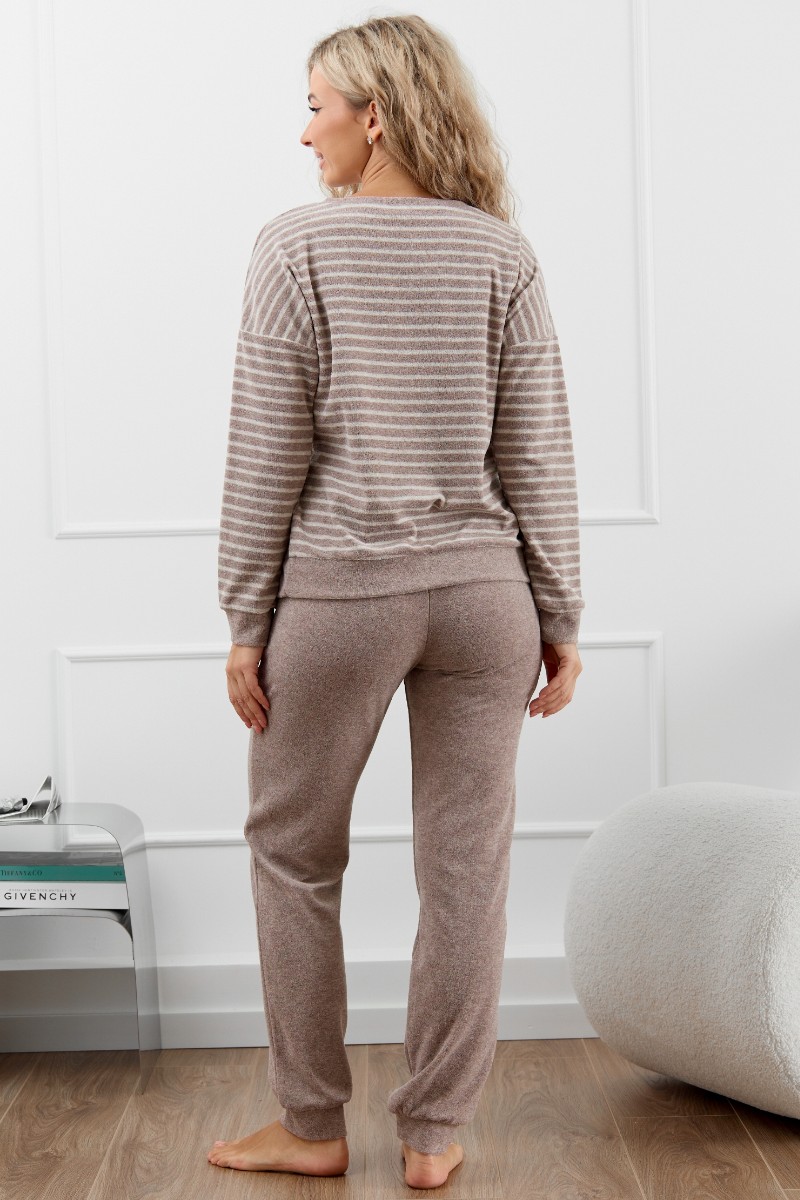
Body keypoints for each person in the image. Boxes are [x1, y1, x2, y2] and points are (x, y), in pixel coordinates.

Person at [209, 13, 585, 1191]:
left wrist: (244, 619)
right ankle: (432, 1137)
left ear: (373, 115)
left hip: (342, 595)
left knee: (291, 854)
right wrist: (560, 614)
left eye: (315, 106)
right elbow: (537, 450)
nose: (303, 131)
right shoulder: (500, 254)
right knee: (466, 869)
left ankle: (311, 1125)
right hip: (484, 599)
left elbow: (265, 450)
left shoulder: (296, 247)